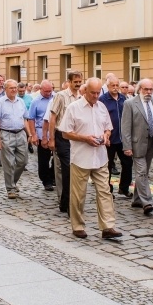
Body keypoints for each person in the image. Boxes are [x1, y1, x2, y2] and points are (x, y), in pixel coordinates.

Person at [59, 77, 122, 240]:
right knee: (79, 195)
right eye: (92, 92)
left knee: (105, 192)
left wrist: (106, 136)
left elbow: (108, 128)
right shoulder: (74, 108)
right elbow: (65, 133)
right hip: (80, 157)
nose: (95, 96)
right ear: (85, 91)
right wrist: (85, 138)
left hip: (100, 157)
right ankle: (78, 225)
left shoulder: (102, 107)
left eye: (97, 92)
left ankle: (108, 226)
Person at [121, 78, 153, 216]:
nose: (149, 92)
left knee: (144, 172)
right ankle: (147, 202)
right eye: (146, 89)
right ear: (140, 89)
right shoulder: (130, 103)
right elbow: (125, 127)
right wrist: (127, 146)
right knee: (141, 172)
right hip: (136, 142)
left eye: (151, 89)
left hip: (152, 142)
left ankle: (137, 199)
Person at [48, 71, 83, 214]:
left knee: (75, 169)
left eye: (80, 81)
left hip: (77, 137)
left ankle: (64, 203)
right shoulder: (61, 96)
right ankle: (69, 205)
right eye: (76, 82)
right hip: (62, 136)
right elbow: (52, 118)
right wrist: (51, 139)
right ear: (69, 81)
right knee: (68, 170)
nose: (78, 84)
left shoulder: (81, 96)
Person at [0, 79, 29, 199]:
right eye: (11, 88)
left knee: (23, 161)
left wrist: (30, 134)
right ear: (5, 89)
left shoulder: (21, 102)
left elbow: (25, 119)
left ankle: (13, 181)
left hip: (21, 133)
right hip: (6, 134)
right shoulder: (0, 103)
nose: (14, 90)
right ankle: (10, 188)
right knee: (9, 163)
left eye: (15, 88)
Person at [99, 76, 132, 196]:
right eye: (112, 85)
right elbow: (99, 118)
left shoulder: (124, 98)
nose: (115, 87)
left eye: (117, 85)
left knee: (128, 163)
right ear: (107, 86)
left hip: (123, 137)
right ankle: (108, 190)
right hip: (109, 138)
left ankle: (124, 188)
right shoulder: (103, 99)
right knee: (107, 165)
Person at [28, 80, 55, 191]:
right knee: (44, 159)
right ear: (41, 90)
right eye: (46, 91)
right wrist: (33, 135)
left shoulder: (56, 97)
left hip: (54, 131)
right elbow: (31, 119)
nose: (48, 93)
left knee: (57, 158)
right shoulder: (36, 101)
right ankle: (46, 180)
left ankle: (53, 176)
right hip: (40, 132)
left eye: (50, 91)